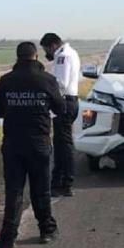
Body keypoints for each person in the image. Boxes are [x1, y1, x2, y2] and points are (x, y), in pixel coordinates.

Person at [0, 41, 66, 248]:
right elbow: (60, 108)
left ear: (17, 58)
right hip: (39, 142)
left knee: (14, 190)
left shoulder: (6, 80)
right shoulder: (47, 80)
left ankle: (8, 239)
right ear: (35, 57)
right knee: (41, 189)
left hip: (13, 143)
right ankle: (46, 231)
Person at [40, 33, 80, 197]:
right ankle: (58, 181)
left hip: (64, 102)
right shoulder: (72, 52)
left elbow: (61, 83)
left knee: (64, 145)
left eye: (46, 49)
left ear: (53, 45)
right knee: (60, 144)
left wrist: (48, 93)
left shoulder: (62, 56)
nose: (46, 53)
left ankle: (67, 183)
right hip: (70, 102)